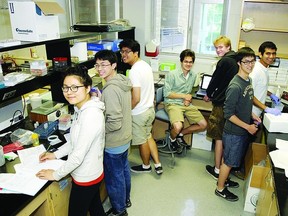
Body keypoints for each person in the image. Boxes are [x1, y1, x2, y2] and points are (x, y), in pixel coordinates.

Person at [36, 66, 106, 216]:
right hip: (91, 171)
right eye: (66, 88)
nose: (69, 92)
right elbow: (75, 141)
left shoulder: (91, 115)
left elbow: (77, 156)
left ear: (87, 88)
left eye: (75, 87)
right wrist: (55, 155)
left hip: (86, 176)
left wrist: (54, 175)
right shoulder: (80, 108)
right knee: (95, 208)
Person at [215, 47, 261, 202]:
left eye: (252, 61)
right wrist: (248, 126)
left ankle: (224, 179)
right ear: (239, 63)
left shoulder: (249, 80)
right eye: (246, 61)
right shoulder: (235, 86)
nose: (250, 64)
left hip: (240, 130)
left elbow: (245, 104)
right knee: (229, 162)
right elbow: (229, 114)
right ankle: (220, 188)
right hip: (234, 132)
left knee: (227, 158)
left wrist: (253, 115)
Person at [95, 50, 132, 216]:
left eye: (104, 65)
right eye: (97, 65)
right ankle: (125, 200)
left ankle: (119, 210)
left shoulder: (110, 90)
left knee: (114, 178)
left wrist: (99, 131)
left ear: (114, 65)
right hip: (125, 137)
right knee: (124, 171)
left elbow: (114, 122)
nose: (99, 68)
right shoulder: (122, 81)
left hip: (114, 141)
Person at [119, 39, 163, 175]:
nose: (123, 55)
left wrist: (127, 111)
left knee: (142, 141)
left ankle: (146, 166)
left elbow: (136, 98)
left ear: (136, 53)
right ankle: (157, 164)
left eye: (127, 52)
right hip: (149, 110)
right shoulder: (145, 65)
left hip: (139, 113)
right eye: (122, 52)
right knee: (148, 136)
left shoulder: (134, 71)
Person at [204, 36, 239, 182]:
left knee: (218, 137)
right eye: (217, 47)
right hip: (232, 105)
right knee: (227, 138)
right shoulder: (236, 59)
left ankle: (217, 170)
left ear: (228, 47)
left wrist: (208, 94)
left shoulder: (224, 61)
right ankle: (225, 171)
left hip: (221, 104)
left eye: (221, 47)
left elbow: (215, 80)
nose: (219, 50)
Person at [163, 49, 207, 154]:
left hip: (185, 104)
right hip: (172, 103)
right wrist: (184, 96)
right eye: (186, 61)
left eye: (190, 62)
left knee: (203, 124)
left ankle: (180, 134)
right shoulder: (172, 74)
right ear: (181, 61)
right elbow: (167, 93)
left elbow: (189, 92)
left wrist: (188, 99)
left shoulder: (193, 75)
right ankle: (172, 139)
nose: (188, 64)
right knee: (177, 126)